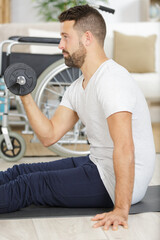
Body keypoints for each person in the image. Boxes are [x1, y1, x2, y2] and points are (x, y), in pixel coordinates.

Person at [0, 4, 156, 231]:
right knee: (21, 171)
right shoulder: (78, 86)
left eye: (65, 37)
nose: (60, 45)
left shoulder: (112, 81)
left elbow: (125, 148)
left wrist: (121, 209)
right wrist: (24, 94)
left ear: (87, 38)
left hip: (118, 180)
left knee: (30, 185)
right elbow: (49, 135)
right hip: (98, 163)